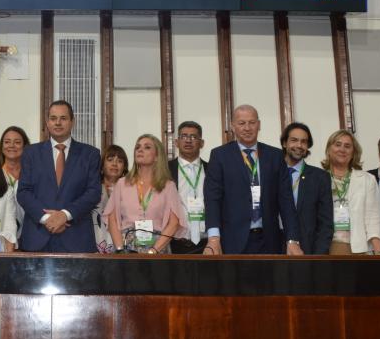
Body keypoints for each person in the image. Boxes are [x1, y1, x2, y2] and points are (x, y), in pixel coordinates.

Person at [204, 105, 302, 255]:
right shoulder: (220, 156)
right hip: (231, 240)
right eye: (241, 123)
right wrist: (213, 238)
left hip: (269, 240)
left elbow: (286, 201)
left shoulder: (275, 156)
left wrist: (293, 240)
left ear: (259, 125)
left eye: (252, 122)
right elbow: (212, 199)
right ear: (233, 126)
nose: (247, 128)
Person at [17, 100, 103, 253]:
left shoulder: (90, 154)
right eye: (53, 118)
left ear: (72, 122)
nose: (57, 123)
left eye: (63, 118)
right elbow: (23, 193)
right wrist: (47, 219)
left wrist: (65, 215)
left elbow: (93, 193)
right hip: (37, 237)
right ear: (47, 122)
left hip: (76, 239)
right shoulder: (31, 153)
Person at [106, 135, 185, 254]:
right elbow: (112, 219)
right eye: (137, 147)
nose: (140, 150)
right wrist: (120, 249)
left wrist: (153, 251)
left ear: (157, 156)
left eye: (147, 147)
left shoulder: (168, 186)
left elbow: (174, 223)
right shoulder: (122, 183)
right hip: (126, 247)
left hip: (157, 248)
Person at [321, 129, 380, 255]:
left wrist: (378, 246)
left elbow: (373, 215)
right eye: (338, 144)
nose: (342, 149)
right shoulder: (318, 178)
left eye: (347, 146)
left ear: (354, 152)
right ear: (329, 149)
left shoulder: (367, 179)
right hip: (326, 245)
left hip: (360, 246)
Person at [280, 123, 333, 255]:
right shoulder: (271, 173)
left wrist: (317, 258)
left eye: (304, 142)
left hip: (307, 251)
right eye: (294, 140)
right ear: (285, 143)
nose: (299, 145)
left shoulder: (320, 177)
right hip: (273, 250)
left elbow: (325, 224)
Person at [168, 121, 208, 253]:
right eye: (184, 136)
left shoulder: (212, 169)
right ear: (176, 142)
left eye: (193, 137)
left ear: (201, 143)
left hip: (206, 243)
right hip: (175, 242)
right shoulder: (165, 170)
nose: (188, 140)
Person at [94, 144, 128, 254]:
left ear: (124, 167)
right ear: (102, 165)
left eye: (119, 161)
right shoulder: (92, 189)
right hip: (95, 241)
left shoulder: (130, 190)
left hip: (123, 243)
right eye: (110, 160)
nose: (114, 164)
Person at [0, 126, 30, 238]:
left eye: (17, 142)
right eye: (7, 142)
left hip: (29, 236)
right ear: (2, 147)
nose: (11, 145)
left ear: (25, 146)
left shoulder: (33, 175)